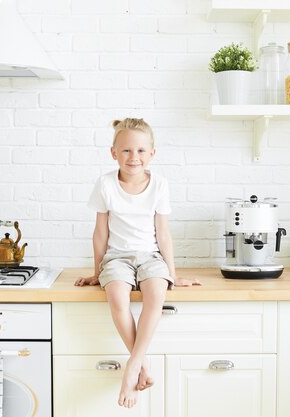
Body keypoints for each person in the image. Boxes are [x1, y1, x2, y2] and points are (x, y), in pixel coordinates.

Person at [74, 117, 201, 408]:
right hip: (117, 257)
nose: (134, 157)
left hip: (151, 257)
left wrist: (173, 273)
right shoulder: (105, 184)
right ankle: (141, 364)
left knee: (155, 294)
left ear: (152, 154)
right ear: (114, 153)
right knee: (117, 296)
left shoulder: (159, 185)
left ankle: (133, 365)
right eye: (127, 151)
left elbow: (163, 234)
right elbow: (100, 233)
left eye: (141, 151)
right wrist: (97, 273)